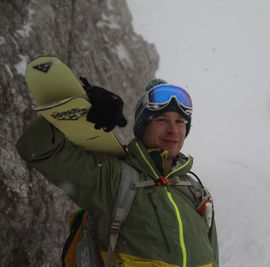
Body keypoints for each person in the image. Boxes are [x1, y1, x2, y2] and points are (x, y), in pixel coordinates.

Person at [16, 78, 219, 267]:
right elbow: (37, 147)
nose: (173, 130)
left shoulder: (195, 193)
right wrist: (79, 108)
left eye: (180, 122)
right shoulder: (113, 178)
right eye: (162, 120)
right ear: (142, 126)